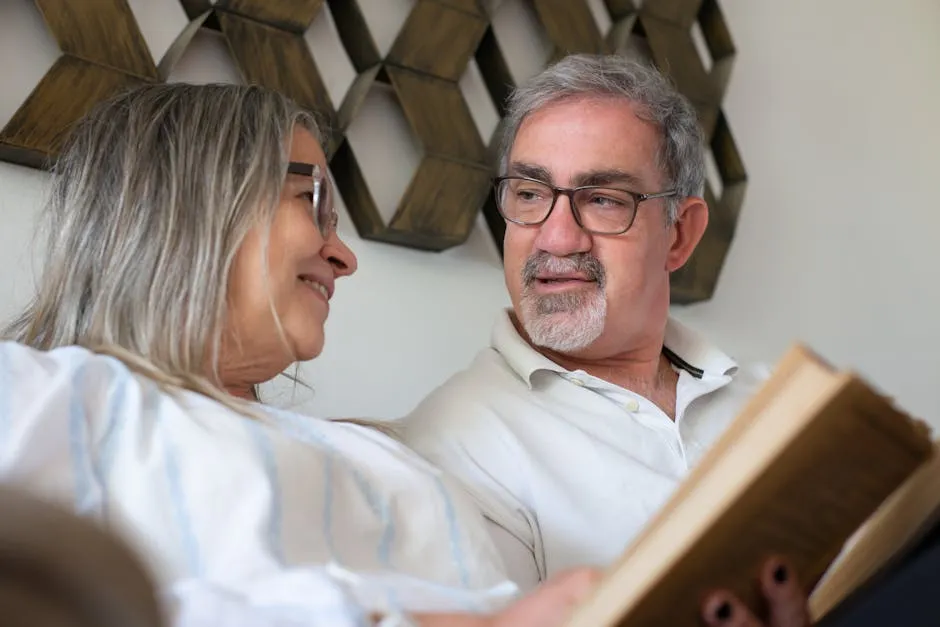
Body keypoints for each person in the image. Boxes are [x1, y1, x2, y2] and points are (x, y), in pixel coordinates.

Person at [0, 82, 804, 627]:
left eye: (601, 199)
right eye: (312, 203)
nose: (343, 257)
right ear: (193, 202)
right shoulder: (48, 390)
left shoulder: (378, 454)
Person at [400, 53, 773, 588]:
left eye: (602, 200)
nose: (556, 238)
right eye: (529, 194)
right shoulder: (458, 442)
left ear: (681, 235)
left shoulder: (770, 399)